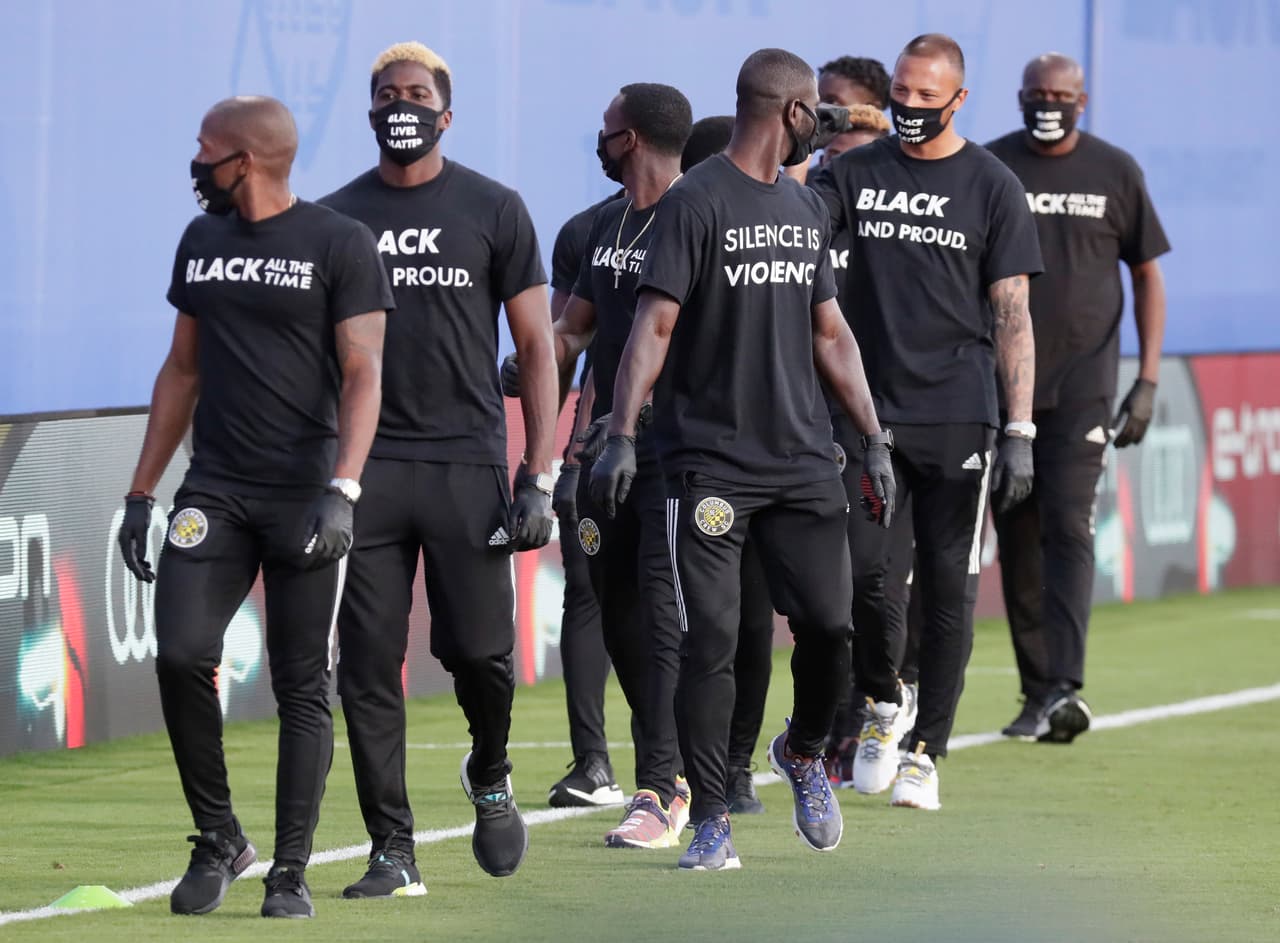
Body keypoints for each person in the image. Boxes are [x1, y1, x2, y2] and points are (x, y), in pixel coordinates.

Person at [590, 48, 895, 871]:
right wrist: (620, 434)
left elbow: (830, 331)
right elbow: (652, 328)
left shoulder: (804, 211)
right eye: (815, 116)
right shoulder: (694, 202)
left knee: (832, 626)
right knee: (710, 645)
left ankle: (800, 751)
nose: (818, 129)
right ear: (793, 114)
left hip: (802, 457)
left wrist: (871, 434)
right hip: (708, 465)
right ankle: (713, 818)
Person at [117, 96, 391, 918]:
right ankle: (218, 837)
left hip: (308, 494)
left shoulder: (339, 241)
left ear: (248, 159)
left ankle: (289, 870)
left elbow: (363, 370)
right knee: (179, 653)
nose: (195, 163)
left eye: (205, 149)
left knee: (301, 682)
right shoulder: (201, 241)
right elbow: (181, 371)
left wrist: (345, 487)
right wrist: (140, 491)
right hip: (217, 492)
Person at [319, 41, 558, 894]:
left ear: (446, 114)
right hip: (369, 470)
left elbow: (536, 345)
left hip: (466, 463)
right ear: (371, 111)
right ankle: (393, 847)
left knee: (484, 657)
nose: (402, 104)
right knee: (366, 666)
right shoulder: (335, 217)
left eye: (417, 93)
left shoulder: (496, 208)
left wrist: (539, 472)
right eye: (388, 93)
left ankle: (489, 771)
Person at [809, 33, 1042, 811]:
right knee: (864, 574)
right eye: (900, 93)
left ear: (958, 99)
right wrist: (803, 149)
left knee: (948, 587)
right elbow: (792, 232)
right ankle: (882, 696)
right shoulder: (853, 171)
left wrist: (1018, 432)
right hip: (869, 417)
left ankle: (925, 750)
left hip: (958, 414)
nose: (910, 107)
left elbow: (1012, 314)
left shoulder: (993, 185)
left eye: (924, 95)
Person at [518, 83, 696, 849]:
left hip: (676, 452)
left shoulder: (696, 216)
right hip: (604, 454)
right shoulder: (607, 225)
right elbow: (575, 329)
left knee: (660, 613)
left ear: (634, 139)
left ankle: (664, 784)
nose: (599, 141)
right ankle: (669, 764)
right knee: (617, 613)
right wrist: (531, 363)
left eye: (606, 131)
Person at [987, 52, 1170, 743]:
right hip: (1006, 392)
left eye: (1060, 94)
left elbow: (1148, 275)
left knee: (1067, 526)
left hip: (1086, 387)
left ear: (1082, 100)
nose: (1047, 103)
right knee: (1019, 536)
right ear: (1017, 96)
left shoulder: (1115, 170)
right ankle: (1038, 691)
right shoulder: (991, 166)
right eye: (1036, 93)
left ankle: (1065, 685)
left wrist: (1147, 380)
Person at [681, 114, 777, 817]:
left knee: (752, 623)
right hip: (686, 461)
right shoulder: (678, 229)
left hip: (777, 458)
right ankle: (674, 774)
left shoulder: (790, 226)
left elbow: (823, 335)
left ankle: (740, 764)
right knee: (686, 632)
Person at [535, 190, 627, 809]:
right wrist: (557, 459)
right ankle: (593, 762)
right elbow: (569, 345)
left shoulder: (708, 215)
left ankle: (709, 767)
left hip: (697, 449)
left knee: (686, 609)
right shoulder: (585, 230)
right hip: (597, 446)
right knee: (587, 595)